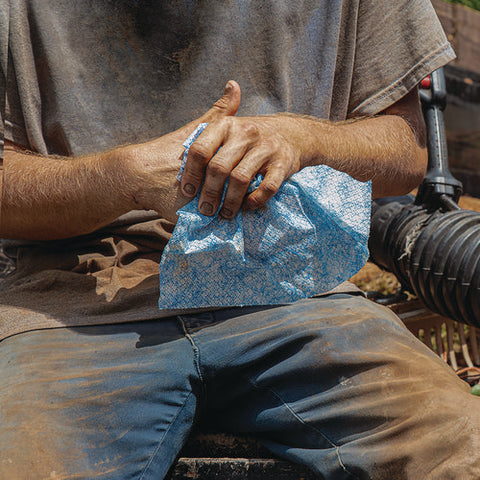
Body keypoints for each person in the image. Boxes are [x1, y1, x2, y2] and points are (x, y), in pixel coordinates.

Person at [1, 1, 479, 479]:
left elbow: (408, 148)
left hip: (298, 295)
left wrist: (305, 138)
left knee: (463, 450)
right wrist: (118, 178)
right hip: (68, 309)